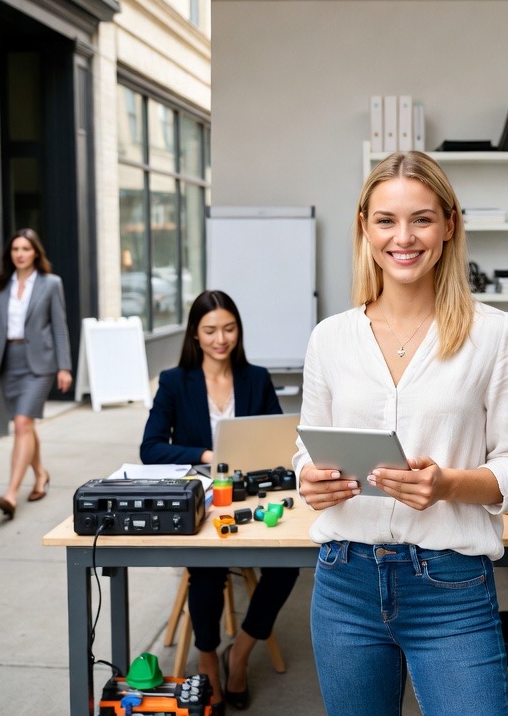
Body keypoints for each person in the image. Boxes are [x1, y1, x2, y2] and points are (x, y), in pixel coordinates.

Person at [292, 150, 508, 716]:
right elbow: (307, 444)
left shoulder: (494, 334)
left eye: (422, 219)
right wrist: (308, 476)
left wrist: (448, 484)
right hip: (344, 580)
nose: (403, 237)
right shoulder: (330, 338)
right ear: (364, 227)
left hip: (449, 586)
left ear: (449, 225)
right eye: (386, 220)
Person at [140, 290, 299, 712]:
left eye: (229, 329)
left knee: (289, 565)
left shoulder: (256, 377)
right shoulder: (175, 382)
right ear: (195, 334)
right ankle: (208, 655)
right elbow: (150, 448)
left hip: (249, 493)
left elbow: (277, 437)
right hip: (203, 500)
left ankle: (241, 650)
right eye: (210, 330)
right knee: (207, 573)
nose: (220, 338)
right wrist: (208, 455)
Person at [0, 228, 72, 520]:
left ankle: (11, 493)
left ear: (35, 253)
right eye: (15, 249)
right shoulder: (1, 285)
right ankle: (40, 474)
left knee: (21, 423)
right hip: (8, 362)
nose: (20, 254)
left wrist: (64, 367)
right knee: (25, 426)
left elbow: (59, 326)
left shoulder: (51, 284)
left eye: (25, 249)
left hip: (40, 364)